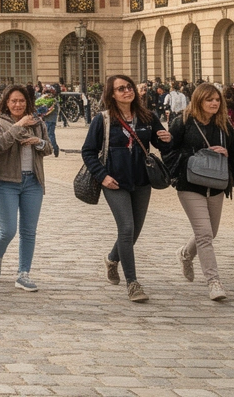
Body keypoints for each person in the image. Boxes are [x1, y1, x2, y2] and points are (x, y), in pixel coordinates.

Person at [81, 74, 172, 303]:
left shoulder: (147, 116)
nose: (127, 91)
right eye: (121, 89)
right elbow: (88, 152)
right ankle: (132, 283)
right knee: (127, 227)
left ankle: (112, 258)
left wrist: (166, 138)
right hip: (115, 182)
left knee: (135, 231)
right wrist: (102, 177)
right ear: (112, 94)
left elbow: (160, 144)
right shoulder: (102, 120)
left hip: (142, 180)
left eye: (129, 87)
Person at [162, 82, 234, 301]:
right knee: (205, 234)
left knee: (210, 232)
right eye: (210, 100)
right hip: (190, 185)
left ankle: (185, 254)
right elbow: (169, 153)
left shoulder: (224, 124)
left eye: (217, 100)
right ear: (199, 100)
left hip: (217, 185)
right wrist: (198, 154)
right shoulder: (183, 123)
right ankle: (213, 282)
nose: (215, 103)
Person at [0, 84, 53, 292]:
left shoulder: (37, 123)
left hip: (32, 181)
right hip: (6, 181)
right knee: (8, 230)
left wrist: (39, 142)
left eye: (22, 101)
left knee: (29, 231)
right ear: (6, 102)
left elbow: (49, 148)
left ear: (28, 103)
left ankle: (23, 273)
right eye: (14, 101)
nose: (18, 104)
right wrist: (18, 127)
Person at [32, 86, 61, 157]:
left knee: (46, 135)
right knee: (50, 135)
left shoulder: (44, 100)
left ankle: (50, 148)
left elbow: (37, 107)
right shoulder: (54, 100)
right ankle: (54, 148)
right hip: (52, 120)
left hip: (46, 119)